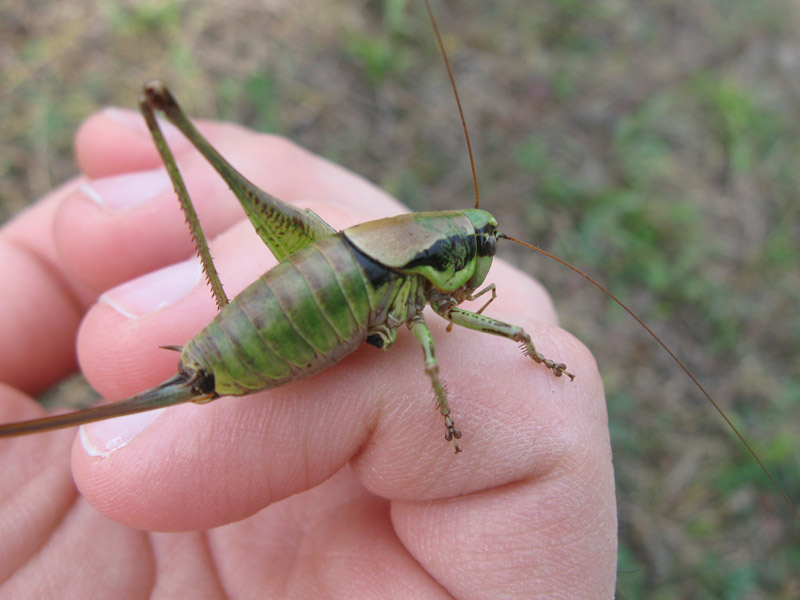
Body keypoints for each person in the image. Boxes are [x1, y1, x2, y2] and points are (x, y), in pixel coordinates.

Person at [0, 108, 617, 598]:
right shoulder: (424, 308)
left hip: (340, 281)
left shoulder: (415, 261)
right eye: (480, 248)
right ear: (454, 249)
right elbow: (428, 347)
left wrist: (535, 347)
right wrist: (454, 412)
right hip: (324, 300)